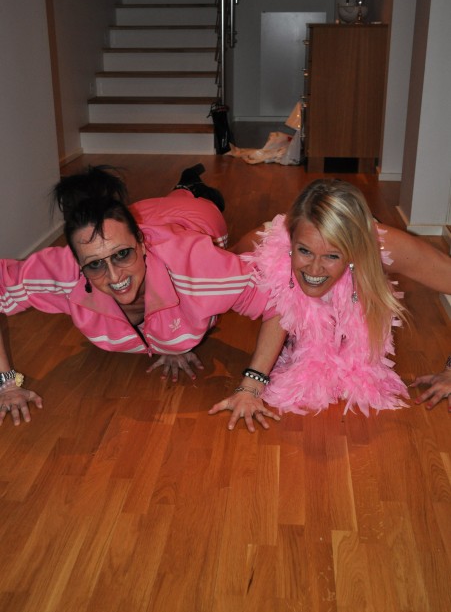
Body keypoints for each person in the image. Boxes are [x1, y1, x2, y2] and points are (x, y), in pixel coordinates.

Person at [0, 165, 285, 427]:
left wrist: (252, 385)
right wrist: (7, 383)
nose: (115, 277)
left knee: (228, 259)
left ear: (141, 244)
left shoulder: (199, 266)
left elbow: (280, 301)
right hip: (136, 218)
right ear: (77, 263)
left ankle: (193, 188)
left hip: (193, 218)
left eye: (123, 255)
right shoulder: (64, 270)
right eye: (95, 265)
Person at [210, 178, 414, 423]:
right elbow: (207, 284)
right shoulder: (260, 244)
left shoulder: (387, 247)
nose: (314, 269)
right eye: (304, 250)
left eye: (332, 255)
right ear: (290, 240)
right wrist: (178, 344)